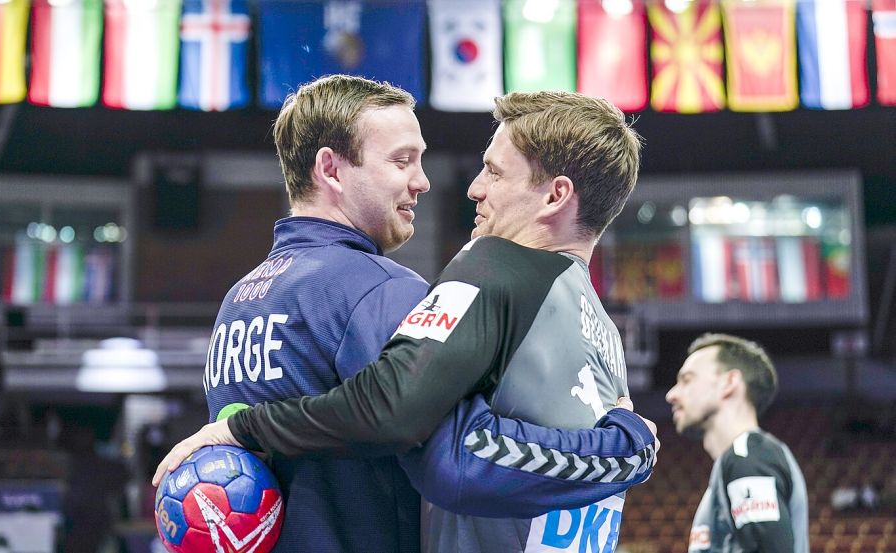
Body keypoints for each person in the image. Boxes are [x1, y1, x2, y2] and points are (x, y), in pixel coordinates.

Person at [156, 89, 660, 552]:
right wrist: (625, 449)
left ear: (555, 196)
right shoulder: (386, 288)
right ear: (331, 169)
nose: (434, 183)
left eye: (494, 173)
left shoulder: (238, 300)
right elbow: (448, 454)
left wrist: (242, 430)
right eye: (402, 161)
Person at [665, 333, 809, 553]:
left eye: (687, 380)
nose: (671, 394)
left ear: (729, 383)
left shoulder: (747, 458)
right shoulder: (742, 459)